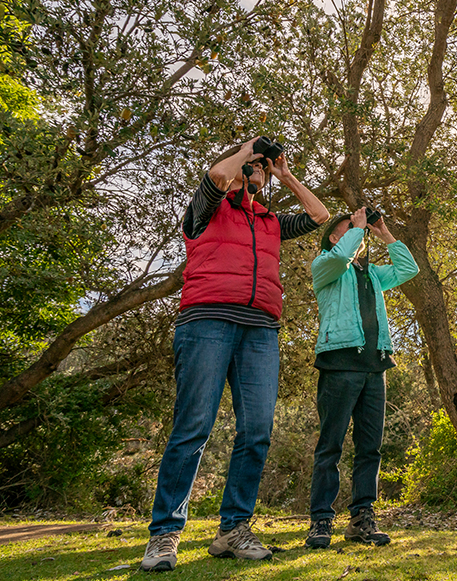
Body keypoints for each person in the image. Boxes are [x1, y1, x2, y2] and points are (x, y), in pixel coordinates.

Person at [141, 137, 330, 572]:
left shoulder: (269, 221)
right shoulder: (206, 210)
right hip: (206, 320)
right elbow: (215, 176)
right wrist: (250, 147)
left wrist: (284, 173)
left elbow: (318, 216)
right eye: (255, 164)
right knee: (193, 427)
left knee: (257, 431)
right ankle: (165, 535)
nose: (258, 167)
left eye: (262, 166)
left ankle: (232, 530)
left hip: (261, 330)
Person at [304, 207, 419, 549]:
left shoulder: (371, 275)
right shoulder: (325, 266)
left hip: (375, 367)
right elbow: (340, 258)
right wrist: (356, 227)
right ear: (336, 238)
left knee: (370, 449)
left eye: (359, 229)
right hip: (339, 364)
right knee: (331, 446)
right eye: (350, 229)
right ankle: (321, 520)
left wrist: (382, 231)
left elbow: (407, 269)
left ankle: (361, 518)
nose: (358, 232)